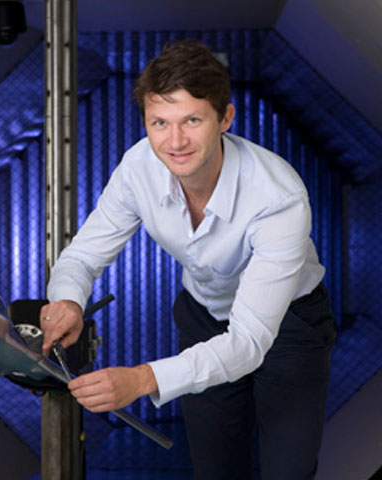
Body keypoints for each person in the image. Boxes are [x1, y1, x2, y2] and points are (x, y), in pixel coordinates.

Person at [38, 40, 336, 479]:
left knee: (288, 472)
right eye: (159, 122)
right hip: (204, 316)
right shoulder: (138, 166)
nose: (174, 141)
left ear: (225, 118)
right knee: (214, 470)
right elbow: (83, 254)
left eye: (191, 120)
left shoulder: (278, 197)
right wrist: (68, 301)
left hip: (289, 327)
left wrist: (141, 379)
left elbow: (250, 342)